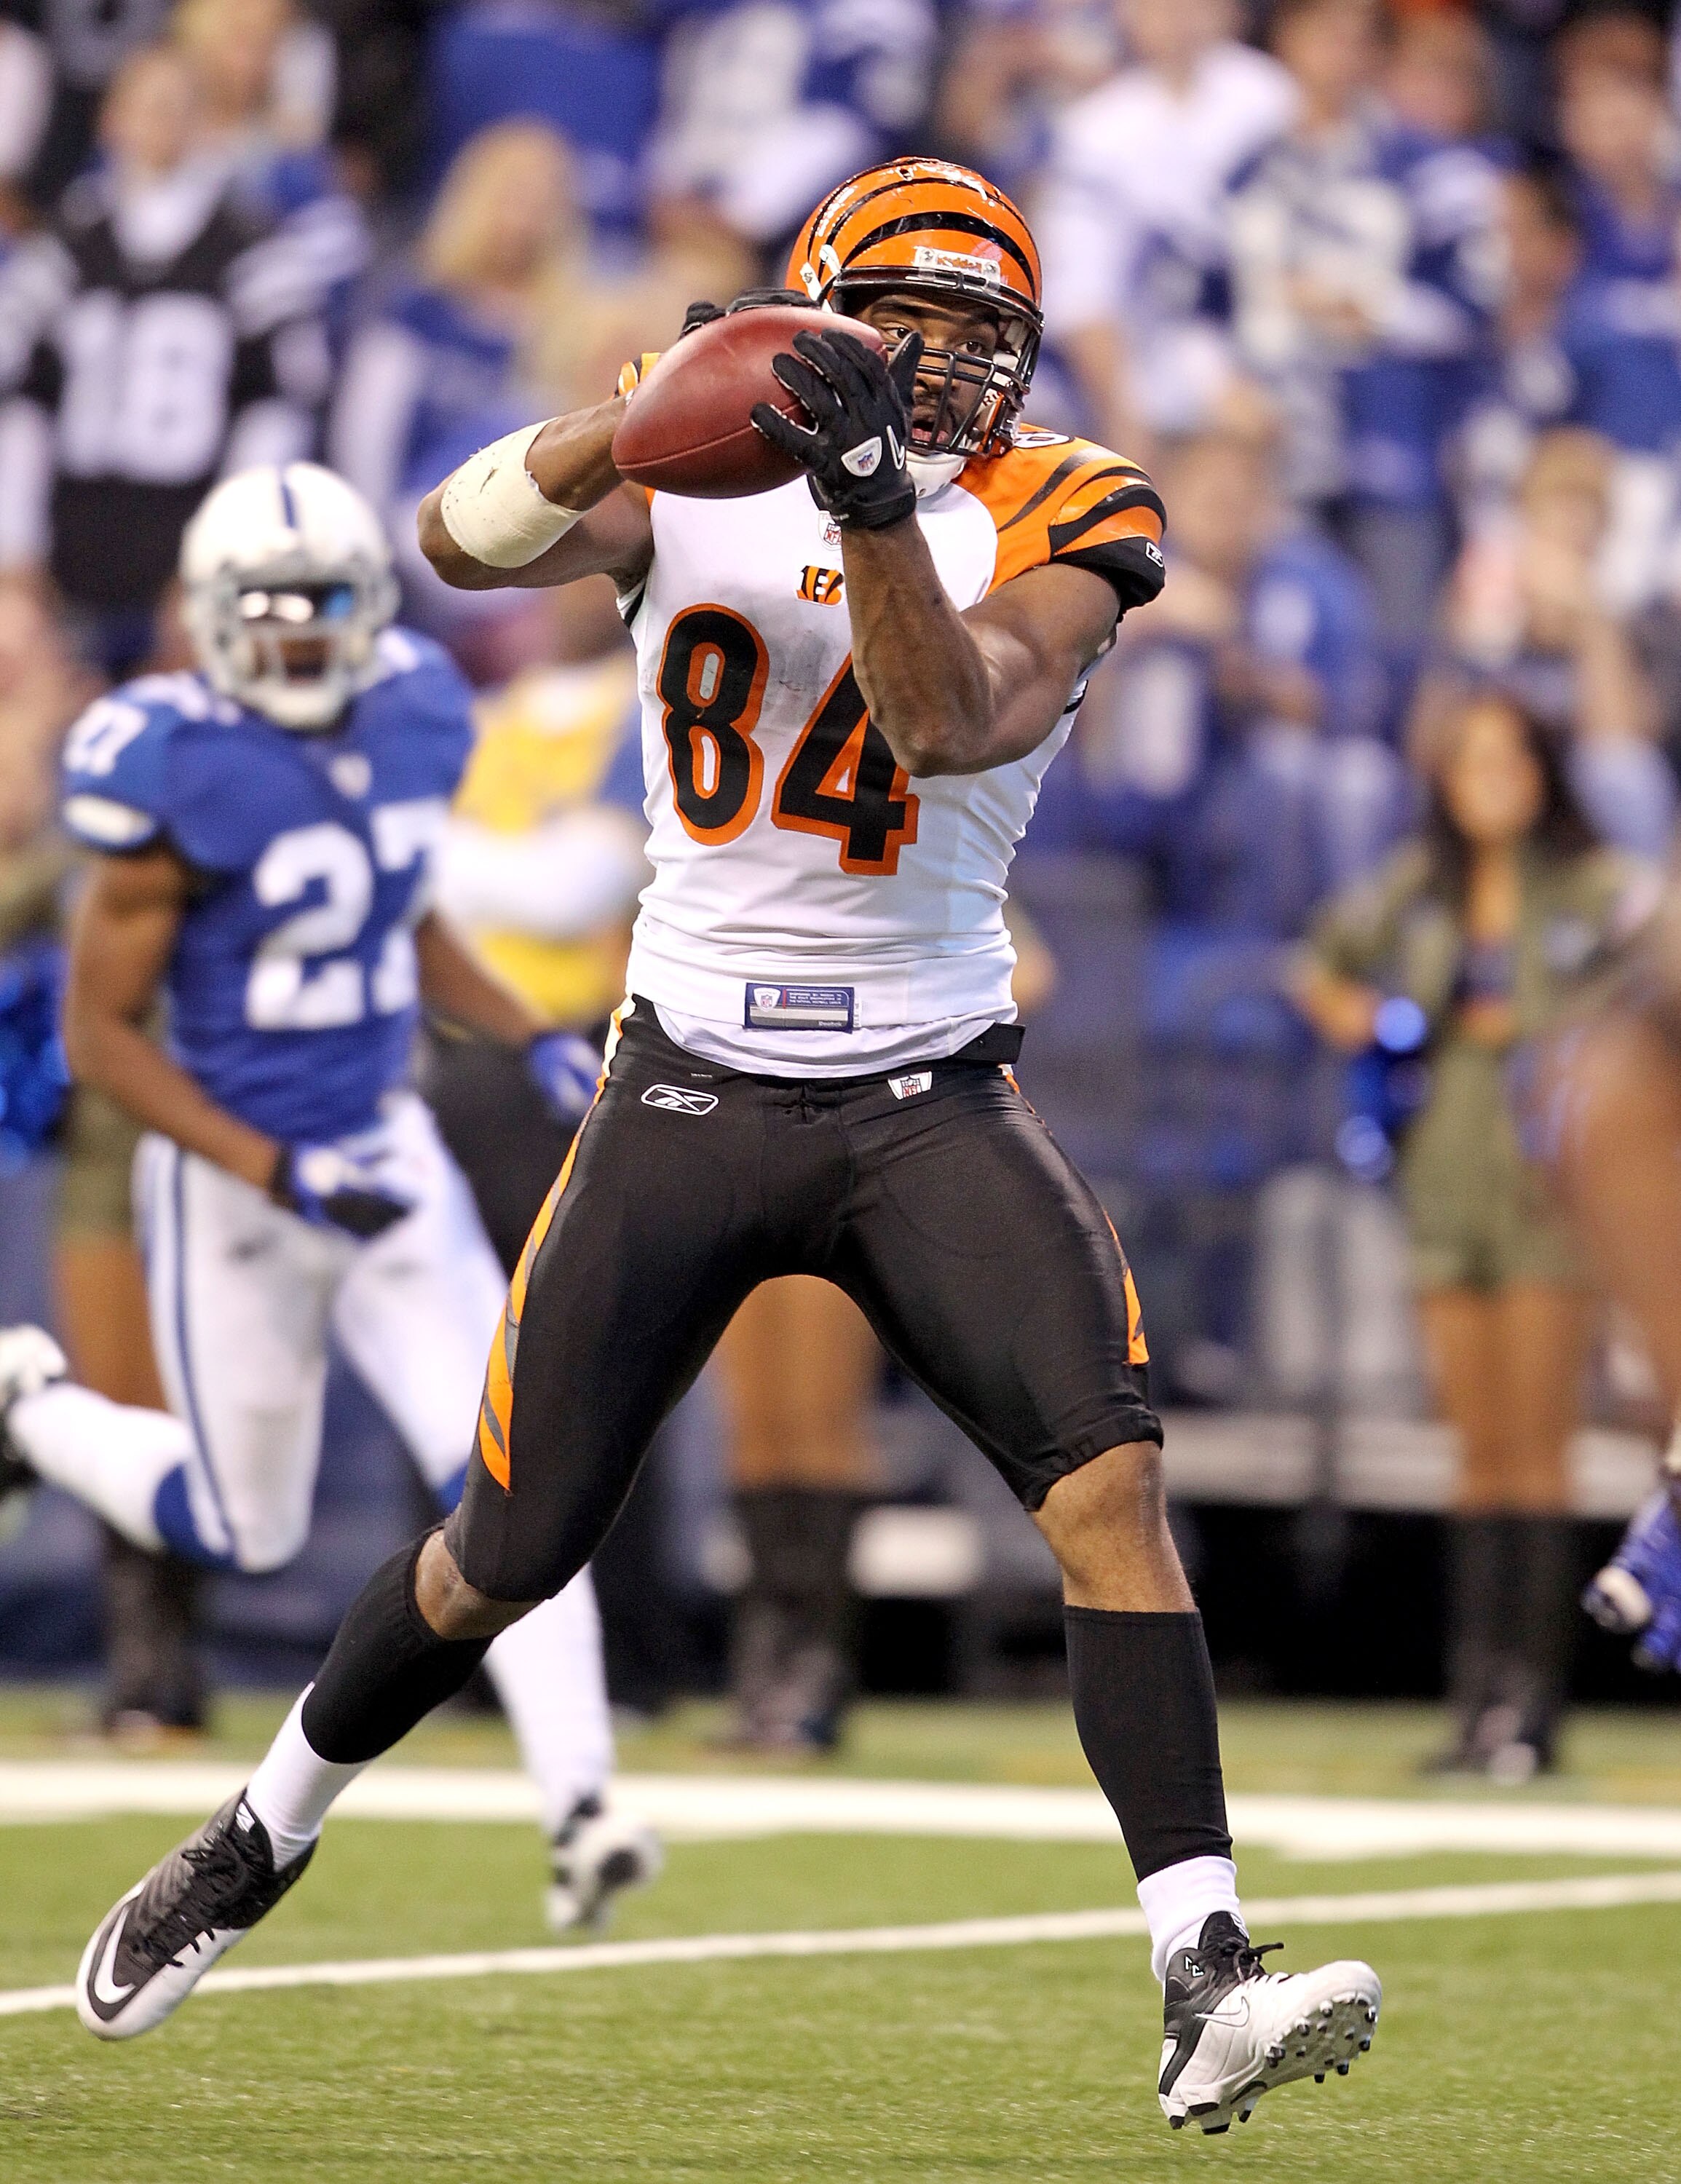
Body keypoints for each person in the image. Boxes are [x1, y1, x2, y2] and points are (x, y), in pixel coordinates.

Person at [58, 157, 1382, 2132]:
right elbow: (454, 539)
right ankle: (262, 1832)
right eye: (901, 330)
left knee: (1106, 1484)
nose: (938, 374)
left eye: (977, 343)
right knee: (497, 1555)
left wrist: (856, 502)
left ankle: (1200, 1966)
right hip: (685, 1081)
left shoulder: (1072, 506)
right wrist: (644, 406)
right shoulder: (705, 456)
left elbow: (950, 719)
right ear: (820, 310)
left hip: (926, 1088)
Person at [0, 462, 657, 1931]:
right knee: (242, 1529)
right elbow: (103, 1036)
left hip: (386, 1153)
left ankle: (585, 1803)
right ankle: (29, 1413)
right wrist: (276, 1170)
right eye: (269, 611)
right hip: (235, 1184)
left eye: (324, 609)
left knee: (506, 1474)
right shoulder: (164, 761)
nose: (299, 640)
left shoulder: (417, 708)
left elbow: (398, 909)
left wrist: (526, 1028)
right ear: (210, 619)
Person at [1293, 690, 1652, 1776]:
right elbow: (1321, 962)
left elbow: (1651, 987)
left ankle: (1532, 1711)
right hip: (1446, 1178)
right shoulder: (1419, 886)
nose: (1489, 777)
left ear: (1544, 770)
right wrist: (1369, 1022)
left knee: (1537, 1452)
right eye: (1470, 759)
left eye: (1509, 758)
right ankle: (1476, 1699)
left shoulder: (1592, 889)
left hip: (1551, 1190)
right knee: (1477, 1454)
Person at [0, 42, 327, 675]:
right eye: (146, 105)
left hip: (185, 537)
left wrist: (225, 553)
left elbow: (278, 410)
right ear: (111, 118)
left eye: (179, 107)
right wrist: (15, 547)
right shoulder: (65, 246)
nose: (160, 123)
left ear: (208, 125)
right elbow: (23, 403)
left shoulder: (254, 250)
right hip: (69, 539)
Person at [1035, 0, 1297, 456]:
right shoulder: (1095, 129)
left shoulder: (1272, 97)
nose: (1178, 18)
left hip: (1277, 353)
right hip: (1153, 372)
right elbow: (1081, 291)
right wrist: (1125, 416)